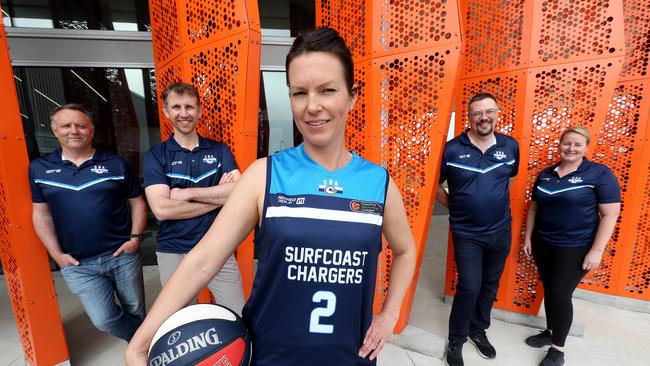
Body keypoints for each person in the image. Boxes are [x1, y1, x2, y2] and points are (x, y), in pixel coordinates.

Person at [125, 27, 416, 365]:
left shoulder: (377, 182)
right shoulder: (265, 175)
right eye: (299, 93)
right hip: (270, 356)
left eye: (327, 90)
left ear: (352, 96)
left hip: (349, 356)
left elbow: (406, 250)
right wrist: (140, 343)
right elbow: (203, 261)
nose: (312, 106)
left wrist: (388, 315)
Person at [29, 104, 147, 341]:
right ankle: (148, 342)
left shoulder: (115, 164)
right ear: (55, 130)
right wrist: (57, 255)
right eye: (66, 125)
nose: (74, 131)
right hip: (78, 263)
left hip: (121, 254)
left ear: (91, 130)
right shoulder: (40, 169)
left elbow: (137, 203)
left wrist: (135, 238)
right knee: (104, 318)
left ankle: (142, 350)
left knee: (135, 310)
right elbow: (41, 215)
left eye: (81, 125)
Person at [143, 82, 245, 314]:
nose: (184, 113)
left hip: (217, 246)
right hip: (173, 249)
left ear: (199, 111)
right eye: (176, 107)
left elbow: (238, 192)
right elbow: (162, 210)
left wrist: (186, 194)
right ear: (166, 112)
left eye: (189, 107)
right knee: (177, 319)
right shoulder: (156, 156)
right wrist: (217, 196)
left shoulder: (219, 150)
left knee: (237, 315)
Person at [523, 126, 620, 366]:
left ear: (586, 147)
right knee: (550, 289)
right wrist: (528, 238)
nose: (571, 148)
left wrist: (596, 250)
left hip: (575, 246)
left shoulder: (599, 174)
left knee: (560, 293)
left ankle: (558, 349)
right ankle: (550, 332)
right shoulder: (546, 174)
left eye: (577, 144)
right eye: (567, 143)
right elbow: (534, 208)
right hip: (544, 243)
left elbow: (610, 214)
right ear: (560, 145)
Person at [436, 92, 519, 366]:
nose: (483, 117)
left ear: (497, 113)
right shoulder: (451, 149)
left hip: (500, 231)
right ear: (469, 117)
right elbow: (436, 186)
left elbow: (507, 179)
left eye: (489, 112)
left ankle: (478, 329)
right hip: (466, 233)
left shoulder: (510, 146)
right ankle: (457, 339)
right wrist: (456, 207)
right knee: (469, 286)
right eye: (477, 113)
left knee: (489, 285)